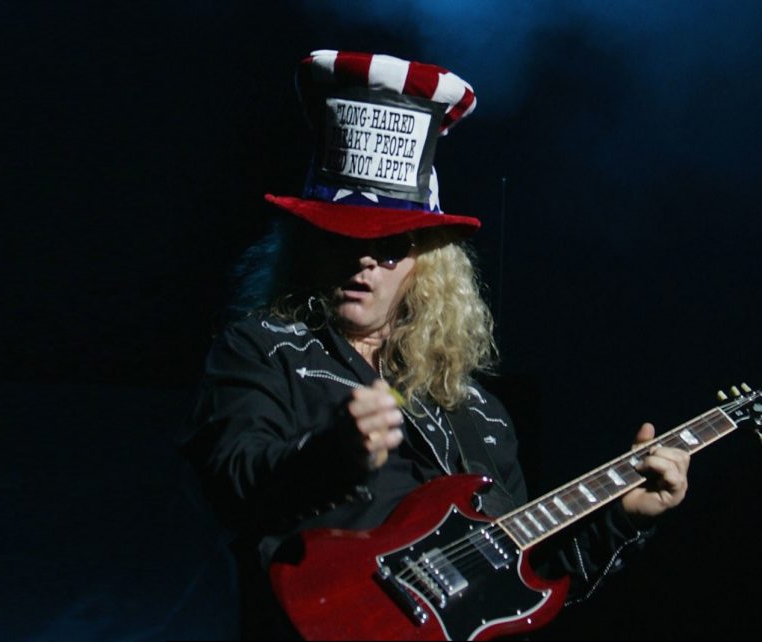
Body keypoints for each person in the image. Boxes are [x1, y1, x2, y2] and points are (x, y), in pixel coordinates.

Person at [180, 49, 691, 640]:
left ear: (426, 264)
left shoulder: (478, 413)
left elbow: (521, 582)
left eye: (390, 248)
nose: (364, 261)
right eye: (343, 239)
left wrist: (622, 519)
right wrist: (331, 457)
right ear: (309, 245)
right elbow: (230, 485)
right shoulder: (264, 349)